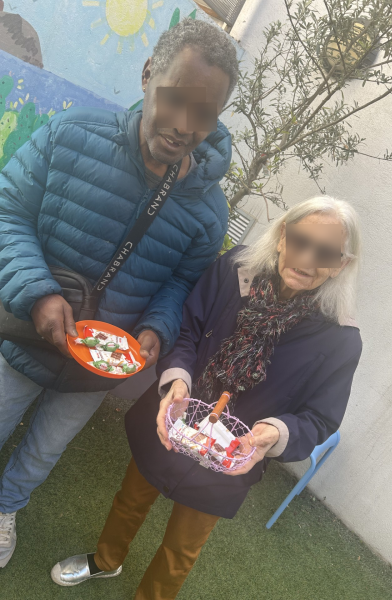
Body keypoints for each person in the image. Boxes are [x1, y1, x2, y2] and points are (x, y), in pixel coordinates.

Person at [0, 18, 240, 568]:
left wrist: (157, 327)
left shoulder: (209, 212)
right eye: (174, 99)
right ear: (148, 74)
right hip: (24, 333)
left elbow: (181, 284)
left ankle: (6, 506)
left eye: (204, 114)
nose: (183, 125)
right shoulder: (71, 134)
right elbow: (9, 210)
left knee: (45, 449)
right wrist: (37, 293)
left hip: (100, 364)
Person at [52, 196, 364, 600]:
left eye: (324, 253)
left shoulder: (341, 339)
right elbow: (186, 330)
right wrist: (176, 380)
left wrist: (276, 432)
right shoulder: (236, 268)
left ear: (341, 263)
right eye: (301, 241)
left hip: (232, 455)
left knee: (181, 548)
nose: (306, 258)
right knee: (130, 500)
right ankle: (106, 560)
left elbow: (320, 418)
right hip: (174, 419)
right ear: (283, 234)